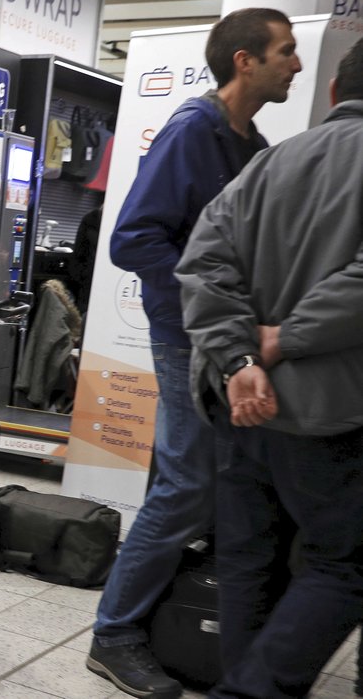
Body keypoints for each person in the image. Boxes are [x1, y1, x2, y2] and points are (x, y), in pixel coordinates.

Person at [89, 8, 302, 698]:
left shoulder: (251, 143)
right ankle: (113, 634)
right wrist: (206, 286)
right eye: (286, 52)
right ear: (246, 61)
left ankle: (164, 619)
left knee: (209, 482)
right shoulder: (192, 131)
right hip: (184, 330)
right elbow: (133, 240)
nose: (295, 64)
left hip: (223, 335)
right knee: (185, 483)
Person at [176, 37, 363, 698]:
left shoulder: (267, 162)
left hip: (240, 401)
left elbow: (202, 265)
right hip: (329, 411)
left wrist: (239, 358)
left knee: (249, 558)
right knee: (345, 565)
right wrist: (281, 342)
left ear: (336, 94)